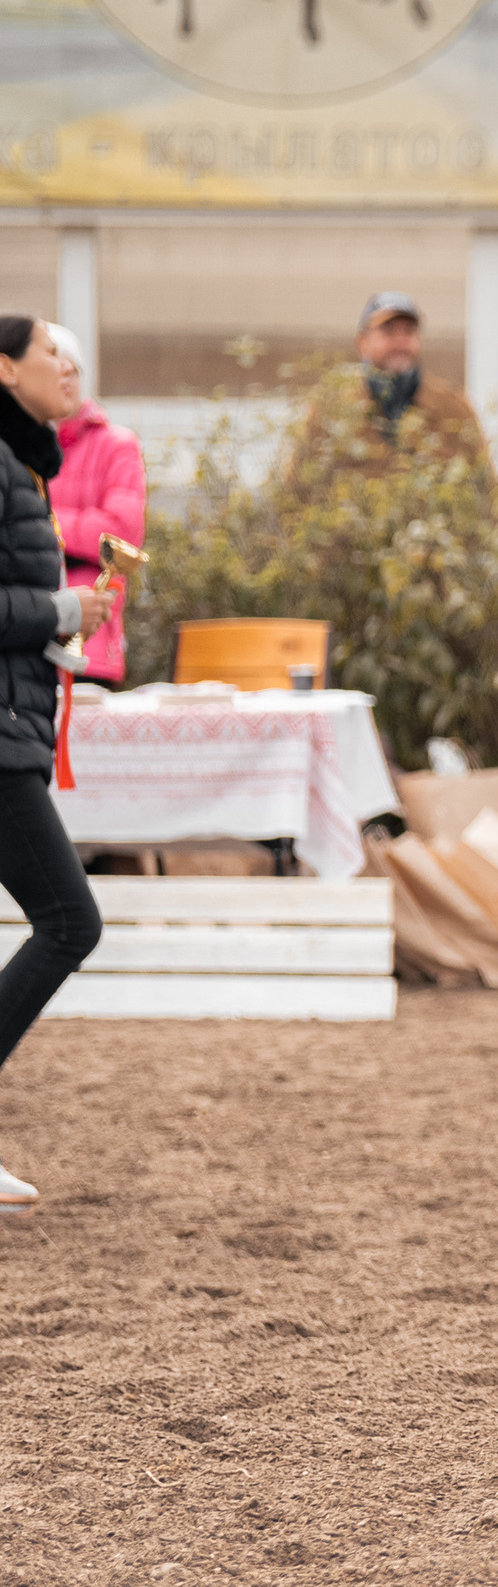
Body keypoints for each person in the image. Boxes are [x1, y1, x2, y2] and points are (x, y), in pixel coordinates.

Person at [0, 317, 112, 1214]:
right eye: (51, 352)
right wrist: (61, 609)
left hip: (14, 720)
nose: (69, 365)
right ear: (5, 368)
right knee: (71, 920)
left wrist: (56, 632)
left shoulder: (23, 462)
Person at [43, 327, 145, 685]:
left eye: (71, 371)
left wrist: (43, 523)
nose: (64, 381)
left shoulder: (116, 445)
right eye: (54, 371)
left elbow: (122, 535)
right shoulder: (13, 449)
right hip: (23, 636)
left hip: (90, 644)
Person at [291, 291, 486, 477]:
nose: (400, 342)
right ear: (363, 342)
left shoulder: (454, 409)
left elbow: (487, 487)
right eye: (388, 331)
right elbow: (295, 488)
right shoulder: (330, 410)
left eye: (409, 331)